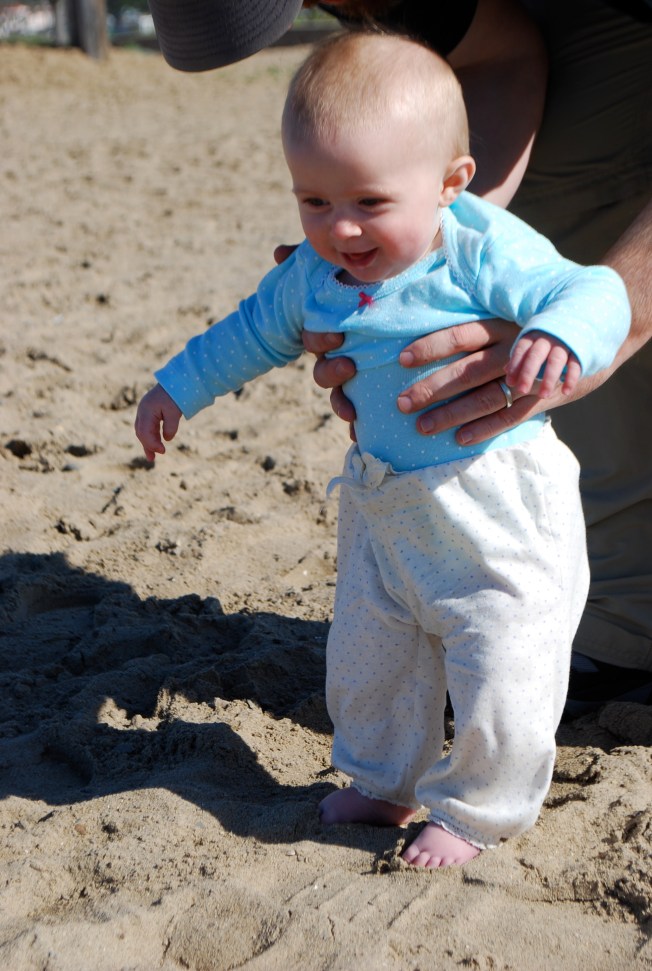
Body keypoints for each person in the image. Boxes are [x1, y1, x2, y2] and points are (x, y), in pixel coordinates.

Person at [135, 32, 630, 866]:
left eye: (368, 201)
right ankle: (382, 778)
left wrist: (561, 331)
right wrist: (175, 387)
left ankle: (476, 808)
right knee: (372, 653)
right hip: (384, 500)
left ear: (450, 184)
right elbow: (251, 331)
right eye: (314, 202)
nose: (342, 229)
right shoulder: (315, 274)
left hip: (497, 501)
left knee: (506, 659)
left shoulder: (476, 246)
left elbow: (596, 286)